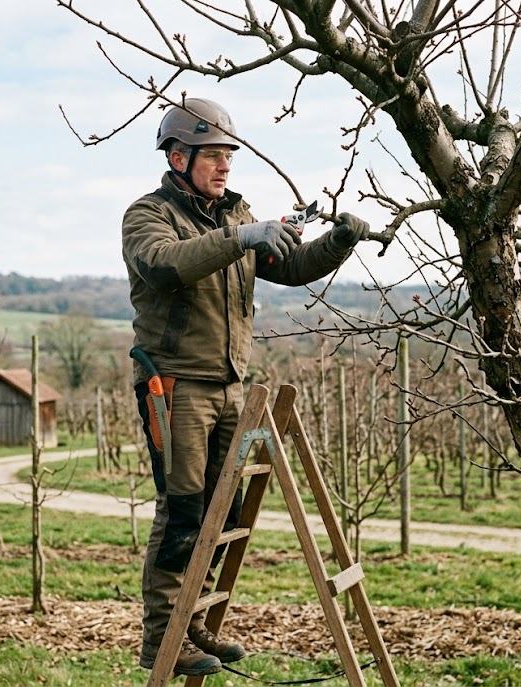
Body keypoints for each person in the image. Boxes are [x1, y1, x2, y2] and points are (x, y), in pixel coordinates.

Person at [123, 97, 371, 677]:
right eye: (213, 156)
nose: (225, 167)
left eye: (228, 157)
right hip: (176, 382)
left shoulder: (236, 215)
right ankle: (163, 638)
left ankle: (193, 619)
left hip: (232, 382)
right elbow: (163, 265)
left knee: (220, 510)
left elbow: (287, 267)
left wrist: (337, 243)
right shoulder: (148, 215)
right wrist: (242, 237)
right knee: (183, 510)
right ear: (178, 158)